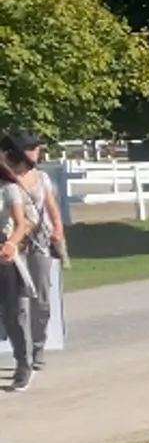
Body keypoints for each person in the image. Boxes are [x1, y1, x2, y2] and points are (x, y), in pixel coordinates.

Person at [2, 132, 66, 376]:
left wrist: (58, 228)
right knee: (19, 301)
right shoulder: (7, 180)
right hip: (14, 243)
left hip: (39, 241)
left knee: (41, 298)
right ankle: (25, 353)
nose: (37, 152)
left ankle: (39, 347)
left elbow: (51, 206)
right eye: (33, 148)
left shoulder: (41, 178)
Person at [0, 152, 36, 391]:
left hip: (3, 252)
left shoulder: (8, 189)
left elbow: (21, 223)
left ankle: (23, 363)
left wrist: (11, 243)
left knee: (11, 313)